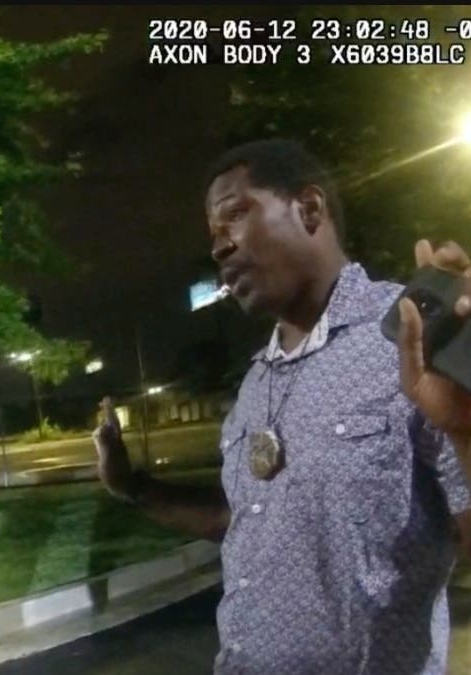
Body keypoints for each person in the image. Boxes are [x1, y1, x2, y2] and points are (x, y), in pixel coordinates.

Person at [93, 138, 471, 675]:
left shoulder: (412, 342)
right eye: (213, 234)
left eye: (234, 215)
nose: (220, 247)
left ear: (309, 209)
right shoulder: (254, 384)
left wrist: (467, 430)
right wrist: (130, 485)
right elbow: (243, 521)